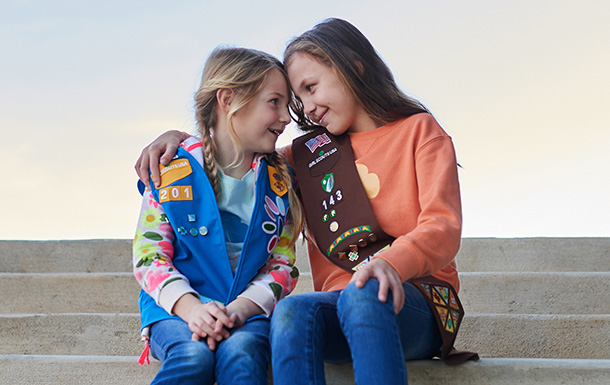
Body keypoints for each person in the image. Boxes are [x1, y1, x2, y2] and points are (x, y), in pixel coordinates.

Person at [135, 18, 476, 385]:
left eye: (311, 88)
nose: (306, 108)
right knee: (290, 312)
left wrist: (389, 263)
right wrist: (179, 137)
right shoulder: (305, 158)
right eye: (299, 98)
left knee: (362, 295)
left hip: (416, 300)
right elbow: (234, 147)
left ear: (353, 66)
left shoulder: (419, 131)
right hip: (336, 307)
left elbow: (442, 227)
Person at [132, 46, 304, 385]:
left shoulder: (280, 183)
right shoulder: (172, 171)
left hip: (246, 312)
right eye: (274, 102)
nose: (286, 117)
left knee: (241, 354)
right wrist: (192, 309)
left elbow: (281, 264)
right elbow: (149, 256)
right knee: (193, 355)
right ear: (227, 100)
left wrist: (241, 310)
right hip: (175, 310)